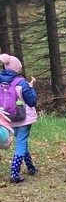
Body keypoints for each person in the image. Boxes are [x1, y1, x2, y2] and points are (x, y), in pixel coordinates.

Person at [0, 54, 37, 183]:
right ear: (17, 69)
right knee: (21, 143)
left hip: (7, 118)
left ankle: (31, 167)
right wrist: (31, 87)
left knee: (22, 141)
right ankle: (14, 173)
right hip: (23, 118)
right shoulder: (21, 83)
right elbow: (32, 101)